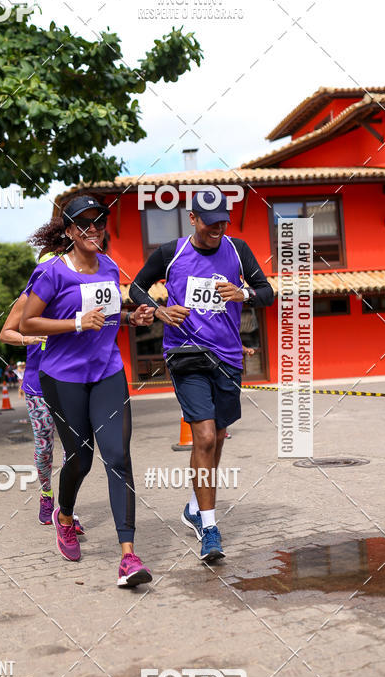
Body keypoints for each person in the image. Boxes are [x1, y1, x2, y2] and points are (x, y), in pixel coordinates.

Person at [130, 190, 274, 562]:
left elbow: (267, 293)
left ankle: (195, 505)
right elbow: (135, 287)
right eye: (211, 222)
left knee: (218, 437)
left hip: (227, 358)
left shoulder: (237, 249)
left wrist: (242, 293)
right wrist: (160, 311)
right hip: (186, 356)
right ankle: (209, 528)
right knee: (205, 435)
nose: (218, 228)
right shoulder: (169, 253)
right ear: (193, 219)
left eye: (223, 220)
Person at [20, 195, 155, 588]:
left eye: (98, 222)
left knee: (118, 456)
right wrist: (77, 323)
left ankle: (128, 557)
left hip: (108, 373)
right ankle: (64, 516)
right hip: (62, 377)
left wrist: (133, 318)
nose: (92, 229)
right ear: (69, 231)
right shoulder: (53, 274)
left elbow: (109, 318)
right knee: (80, 458)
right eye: (83, 223)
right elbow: (28, 324)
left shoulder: (110, 268)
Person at [0, 265, 84, 536]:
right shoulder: (29, 301)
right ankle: (46, 494)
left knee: (74, 449)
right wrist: (27, 338)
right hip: (37, 386)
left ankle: (66, 508)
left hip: (70, 383)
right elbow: (5, 333)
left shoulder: (74, 298)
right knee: (44, 445)